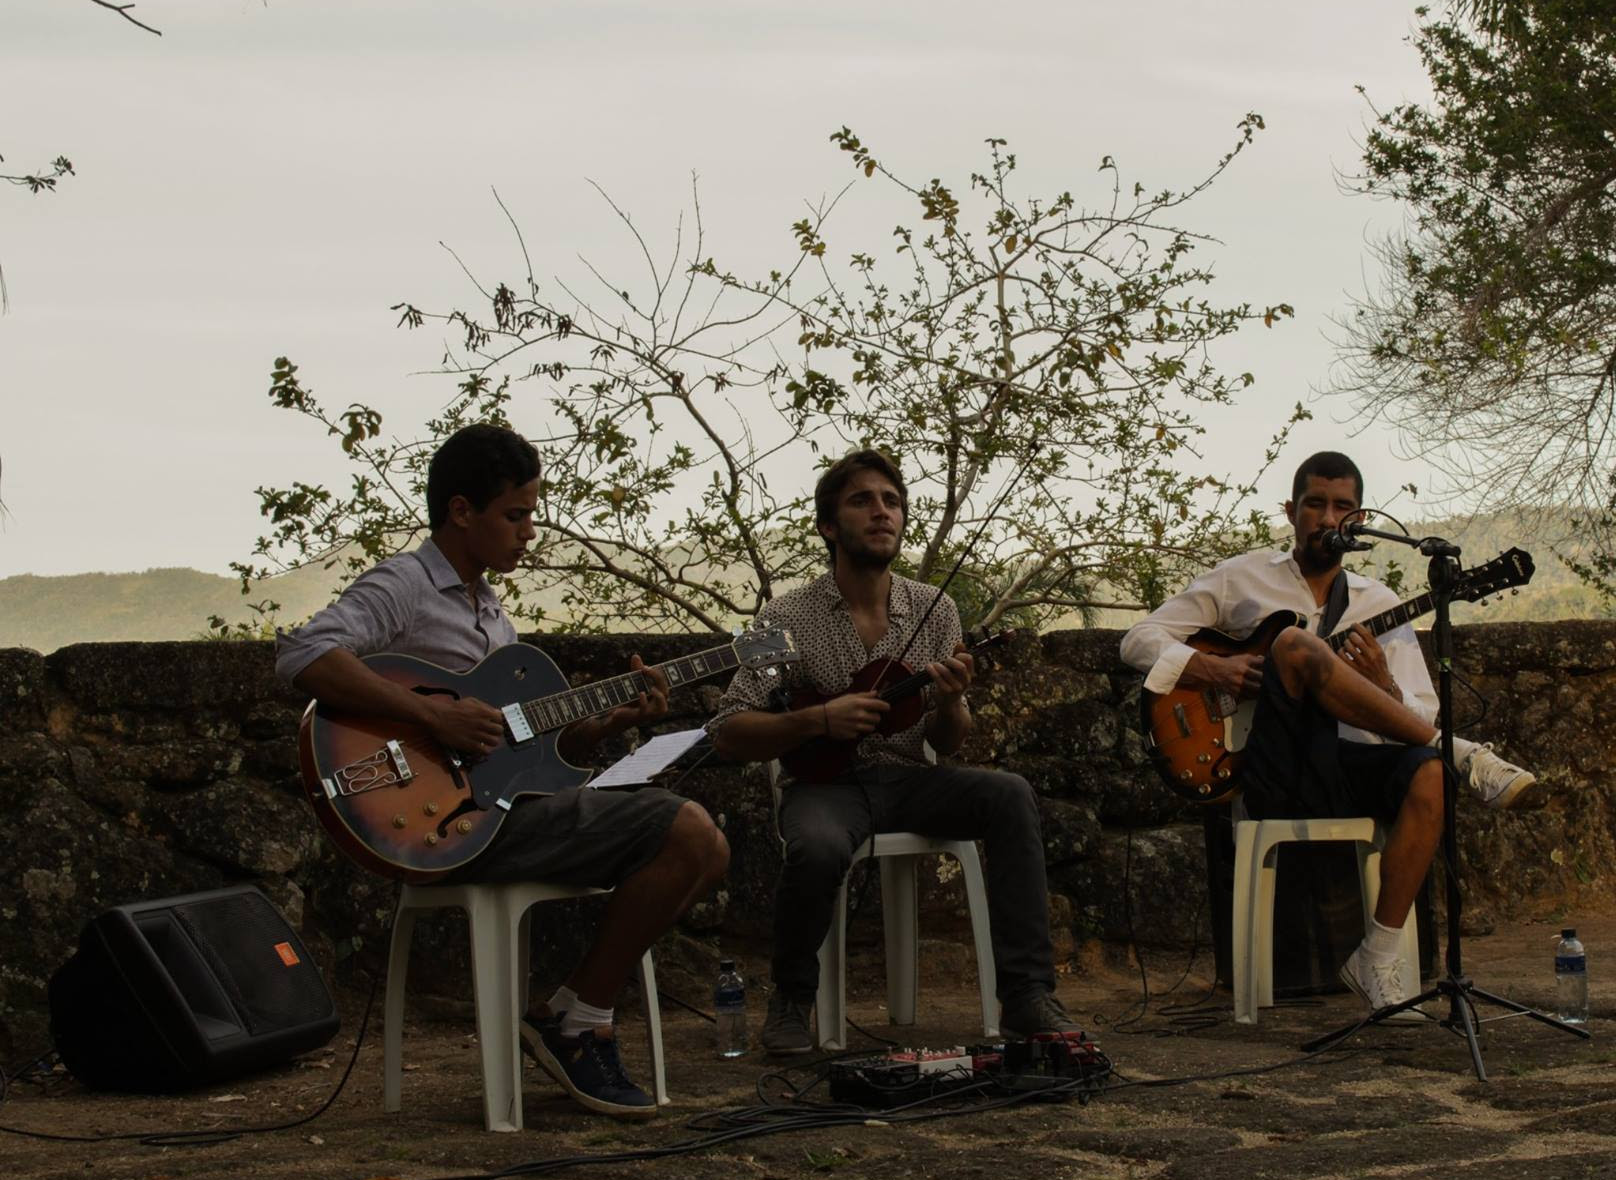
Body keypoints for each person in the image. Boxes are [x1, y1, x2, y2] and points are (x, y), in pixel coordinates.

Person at [277, 423, 728, 1117]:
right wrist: (433, 718)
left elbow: (520, 740)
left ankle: (573, 1009)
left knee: (707, 845)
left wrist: (609, 721)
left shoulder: (490, 609)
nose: (528, 533)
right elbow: (305, 655)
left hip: (499, 812)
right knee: (688, 831)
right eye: (516, 515)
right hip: (447, 825)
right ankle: (575, 1023)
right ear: (463, 511)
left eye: (530, 516)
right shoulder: (406, 583)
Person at [1119, 450, 1541, 1013]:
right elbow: (1138, 640)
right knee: (1293, 644)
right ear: (1291, 511)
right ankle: (1467, 754)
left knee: (1430, 776)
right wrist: (1215, 669)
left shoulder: (1379, 604)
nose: (1327, 517)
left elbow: (1418, 711)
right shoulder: (1241, 579)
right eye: (1315, 504)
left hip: (1347, 768)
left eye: (1342, 507)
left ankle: (1379, 955)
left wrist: (1383, 683)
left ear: (1360, 521)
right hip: (1274, 768)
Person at [707, 449, 1074, 1054]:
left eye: (892, 501)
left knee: (1009, 794)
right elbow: (727, 729)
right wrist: (818, 718)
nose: (882, 512)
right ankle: (793, 1000)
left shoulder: (936, 608)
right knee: (819, 844)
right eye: (862, 501)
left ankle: (1029, 996)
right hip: (826, 789)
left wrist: (954, 703)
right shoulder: (785, 616)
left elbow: (946, 741)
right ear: (829, 526)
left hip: (909, 780)